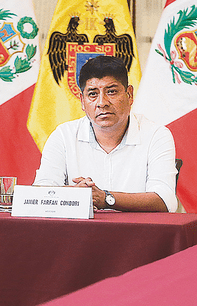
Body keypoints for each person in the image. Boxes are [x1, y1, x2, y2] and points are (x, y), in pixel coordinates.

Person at [33, 56, 177, 212]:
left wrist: (106, 198)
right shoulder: (63, 136)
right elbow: (40, 194)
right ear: (82, 101)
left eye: (112, 92)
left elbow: (165, 201)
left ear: (129, 94)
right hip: (78, 234)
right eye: (93, 94)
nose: (102, 102)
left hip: (137, 234)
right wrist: (74, 194)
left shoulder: (156, 135)